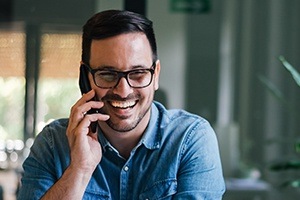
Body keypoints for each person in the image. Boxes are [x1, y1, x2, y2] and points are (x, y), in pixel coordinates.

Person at [18, 10, 225, 199]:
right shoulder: (52, 144)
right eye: (107, 74)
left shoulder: (191, 138)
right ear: (85, 77)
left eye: (137, 73)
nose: (123, 91)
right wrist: (80, 170)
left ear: (156, 75)